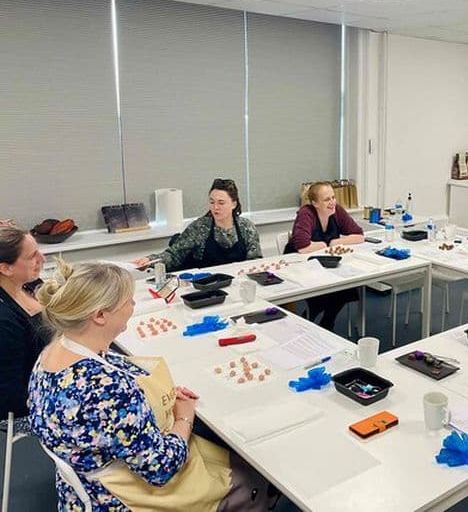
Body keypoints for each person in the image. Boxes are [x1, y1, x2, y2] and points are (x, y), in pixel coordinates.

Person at [27, 262, 276, 510]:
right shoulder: (107, 388)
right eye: (127, 301)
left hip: (79, 480)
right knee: (248, 475)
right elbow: (160, 469)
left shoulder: (53, 353)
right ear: (100, 315)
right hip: (111, 497)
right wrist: (184, 418)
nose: (133, 306)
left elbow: (110, 406)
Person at [132, 178, 261, 271]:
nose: (215, 207)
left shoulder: (246, 227)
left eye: (221, 203)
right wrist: (150, 260)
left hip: (238, 283)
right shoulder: (200, 227)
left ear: (233, 204)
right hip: (207, 286)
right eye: (212, 202)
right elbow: (174, 255)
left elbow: (255, 262)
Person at [286, 182, 364, 330]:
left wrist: (336, 241)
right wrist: (325, 245)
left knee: (346, 285)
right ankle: (310, 319)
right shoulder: (306, 213)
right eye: (327, 199)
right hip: (300, 263)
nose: (332, 202)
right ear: (315, 203)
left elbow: (359, 235)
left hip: (326, 263)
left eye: (333, 197)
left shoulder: (337, 211)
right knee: (322, 288)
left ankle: (328, 322)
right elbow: (302, 247)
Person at [0, 226, 52, 419]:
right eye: (32, 256)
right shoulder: (4, 320)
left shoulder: (30, 284)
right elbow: (10, 396)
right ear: (5, 268)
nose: (43, 259)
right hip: (32, 407)